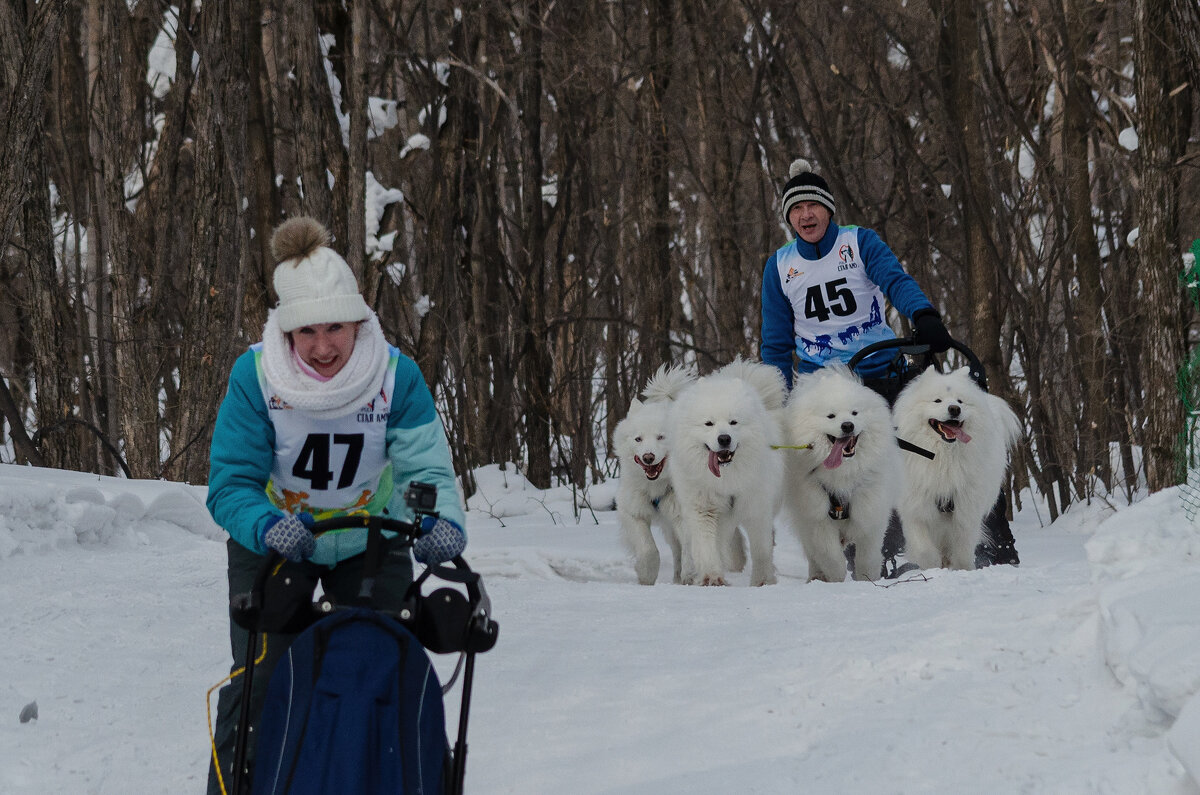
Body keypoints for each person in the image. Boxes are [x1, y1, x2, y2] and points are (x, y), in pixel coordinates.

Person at [205, 217, 467, 794]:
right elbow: (229, 485)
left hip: (369, 539)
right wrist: (266, 527)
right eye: (306, 333)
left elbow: (427, 470)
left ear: (358, 321)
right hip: (276, 537)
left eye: (336, 328)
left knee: (379, 667)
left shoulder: (396, 377)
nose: (323, 347)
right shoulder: (255, 377)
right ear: (286, 331)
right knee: (261, 678)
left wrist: (440, 524)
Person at [760, 158, 1018, 571]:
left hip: (881, 373)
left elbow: (895, 281)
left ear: (828, 209)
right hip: (821, 387)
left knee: (937, 447)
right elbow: (774, 343)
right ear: (789, 217)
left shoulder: (858, 243)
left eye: (813, 206)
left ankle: (991, 543)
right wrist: (775, 399)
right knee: (827, 470)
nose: (806, 215)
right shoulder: (779, 267)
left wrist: (924, 315)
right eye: (796, 209)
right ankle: (852, 554)